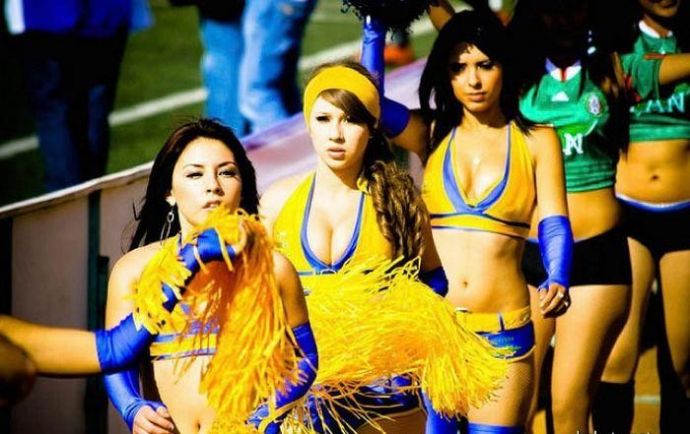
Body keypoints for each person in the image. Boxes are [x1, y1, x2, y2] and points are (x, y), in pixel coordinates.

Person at [359, 9, 572, 433]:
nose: (473, 80)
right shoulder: (430, 132)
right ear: (446, 74)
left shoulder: (537, 139)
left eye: (485, 65)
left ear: (504, 67)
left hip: (502, 334)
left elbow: (554, 220)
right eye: (459, 68)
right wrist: (374, 28)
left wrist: (559, 274)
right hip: (435, 333)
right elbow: (369, 107)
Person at [259, 61, 448, 433]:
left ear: (372, 126)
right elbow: (258, 295)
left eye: (351, 120)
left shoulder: (397, 201)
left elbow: (435, 281)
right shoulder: (277, 201)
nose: (336, 134)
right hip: (304, 393)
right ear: (308, 123)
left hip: (385, 390)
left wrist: (408, 318)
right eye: (324, 119)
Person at [101, 119, 315, 434]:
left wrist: (266, 416)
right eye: (194, 174)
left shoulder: (274, 268)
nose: (212, 185)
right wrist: (131, 407)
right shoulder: (133, 270)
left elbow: (305, 357)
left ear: (242, 187)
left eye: (226, 172)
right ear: (168, 192)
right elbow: (117, 358)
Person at [596, 1, 690, 432]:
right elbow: (630, 76)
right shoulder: (613, 39)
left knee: (683, 361)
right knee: (618, 356)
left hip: (684, 216)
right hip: (628, 211)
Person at [4, 0, 151, 191]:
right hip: (106, 13)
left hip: (48, 15)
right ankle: (91, 200)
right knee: (93, 110)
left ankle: (71, 201)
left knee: (57, 112)